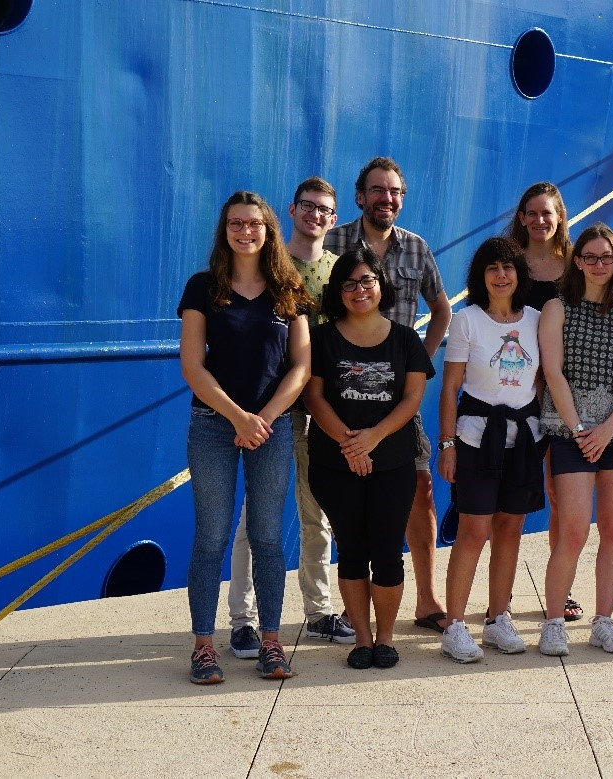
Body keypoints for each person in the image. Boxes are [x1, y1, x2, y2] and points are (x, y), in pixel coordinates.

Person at [177, 191, 310, 684]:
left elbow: (300, 366)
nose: (245, 231)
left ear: (269, 229)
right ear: (224, 230)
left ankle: (272, 642)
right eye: (236, 222)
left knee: (268, 537)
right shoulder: (202, 288)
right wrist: (238, 417)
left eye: (254, 223)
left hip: (271, 428)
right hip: (214, 424)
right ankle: (203, 646)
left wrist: (265, 419)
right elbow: (193, 366)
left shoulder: (287, 288)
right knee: (211, 537)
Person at [226, 177, 355, 658]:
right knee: (254, 518)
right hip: (270, 409)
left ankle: (319, 611)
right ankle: (244, 619)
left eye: (325, 209)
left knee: (315, 515)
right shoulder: (269, 264)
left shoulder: (339, 270)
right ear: (293, 209)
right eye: (308, 206)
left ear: (334, 218)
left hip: (321, 406)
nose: (316, 215)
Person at [325, 157, 453, 634]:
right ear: (360, 197)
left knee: (419, 491)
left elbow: (442, 308)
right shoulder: (334, 244)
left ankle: (426, 599)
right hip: (344, 394)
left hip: (400, 400)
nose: (387, 198)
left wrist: (420, 359)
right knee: (346, 499)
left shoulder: (416, 249)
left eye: (395, 191)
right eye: (378, 190)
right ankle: (348, 601)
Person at [304, 248, 435, 669]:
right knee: (352, 550)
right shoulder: (322, 339)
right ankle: (361, 639)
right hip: (333, 462)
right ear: (337, 292)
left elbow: (412, 398)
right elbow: (314, 396)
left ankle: (386, 638)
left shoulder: (405, 338)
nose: (359, 290)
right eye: (349, 283)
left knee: (386, 551)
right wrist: (349, 444)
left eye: (367, 281)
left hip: (393, 463)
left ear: (381, 286)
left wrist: (372, 439)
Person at [436, 237, 544, 663]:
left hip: (523, 440)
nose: (501, 276)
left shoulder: (537, 320)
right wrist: (447, 445)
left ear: (519, 274)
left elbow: (541, 379)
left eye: (508, 268)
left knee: (510, 530)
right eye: (492, 269)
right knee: (473, 531)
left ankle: (498, 618)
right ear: (481, 277)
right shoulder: (467, 320)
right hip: (476, 438)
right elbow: (449, 389)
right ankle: (455, 625)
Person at [537, 223, 613, 656]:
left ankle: (604, 620)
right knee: (574, 529)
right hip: (569, 433)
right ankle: (554, 622)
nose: (599, 264)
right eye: (591, 256)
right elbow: (552, 372)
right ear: (577, 261)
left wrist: (608, 428)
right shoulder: (557, 309)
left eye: (607, 257)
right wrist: (581, 429)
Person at [506, 182, 583, 622]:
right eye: (531, 213)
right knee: (512, 494)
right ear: (522, 217)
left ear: (559, 217)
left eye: (547, 214)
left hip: (564, 392)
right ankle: (505, 593)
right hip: (516, 391)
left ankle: (563, 590)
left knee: (559, 493)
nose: (539, 221)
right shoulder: (509, 264)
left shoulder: (575, 266)